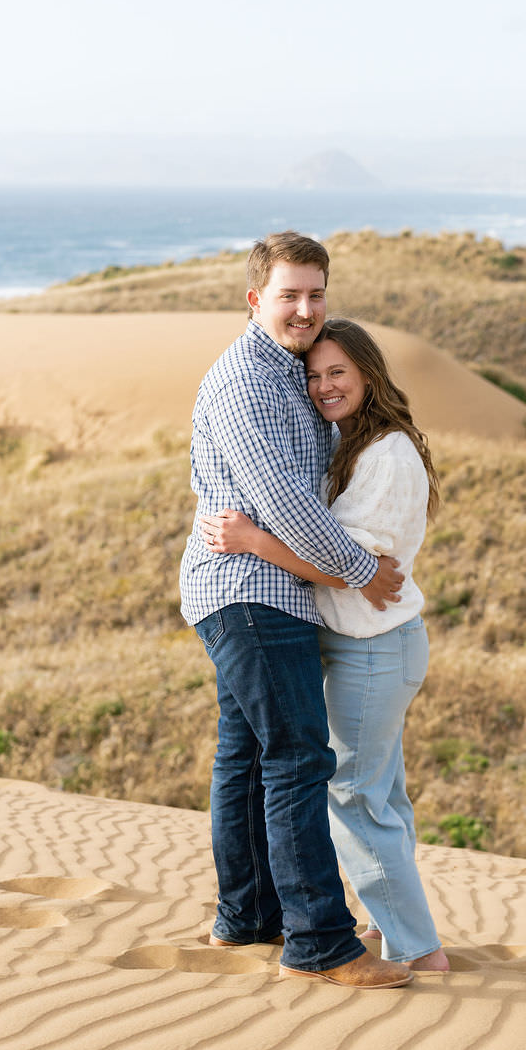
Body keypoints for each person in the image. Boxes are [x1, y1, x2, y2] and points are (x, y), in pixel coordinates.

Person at [179, 232, 413, 989]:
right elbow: (281, 502)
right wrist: (359, 573)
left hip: (267, 589)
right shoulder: (247, 380)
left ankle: (245, 918)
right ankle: (320, 943)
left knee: (247, 757)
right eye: (289, 295)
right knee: (299, 758)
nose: (305, 309)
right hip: (251, 593)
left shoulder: (289, 374)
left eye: (316, 294)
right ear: (257, 300)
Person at [202, 317, 449, 973]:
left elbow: (351, 568)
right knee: (379, 796)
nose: (323, 386)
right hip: (362, 647)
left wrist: (254, 542)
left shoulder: (387, 456)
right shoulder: (352, 447)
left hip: (376, 648)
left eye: (338, 371)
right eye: (313, 375)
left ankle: (419, 951)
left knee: (356, 797)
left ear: (368, 373)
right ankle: (394, 929)